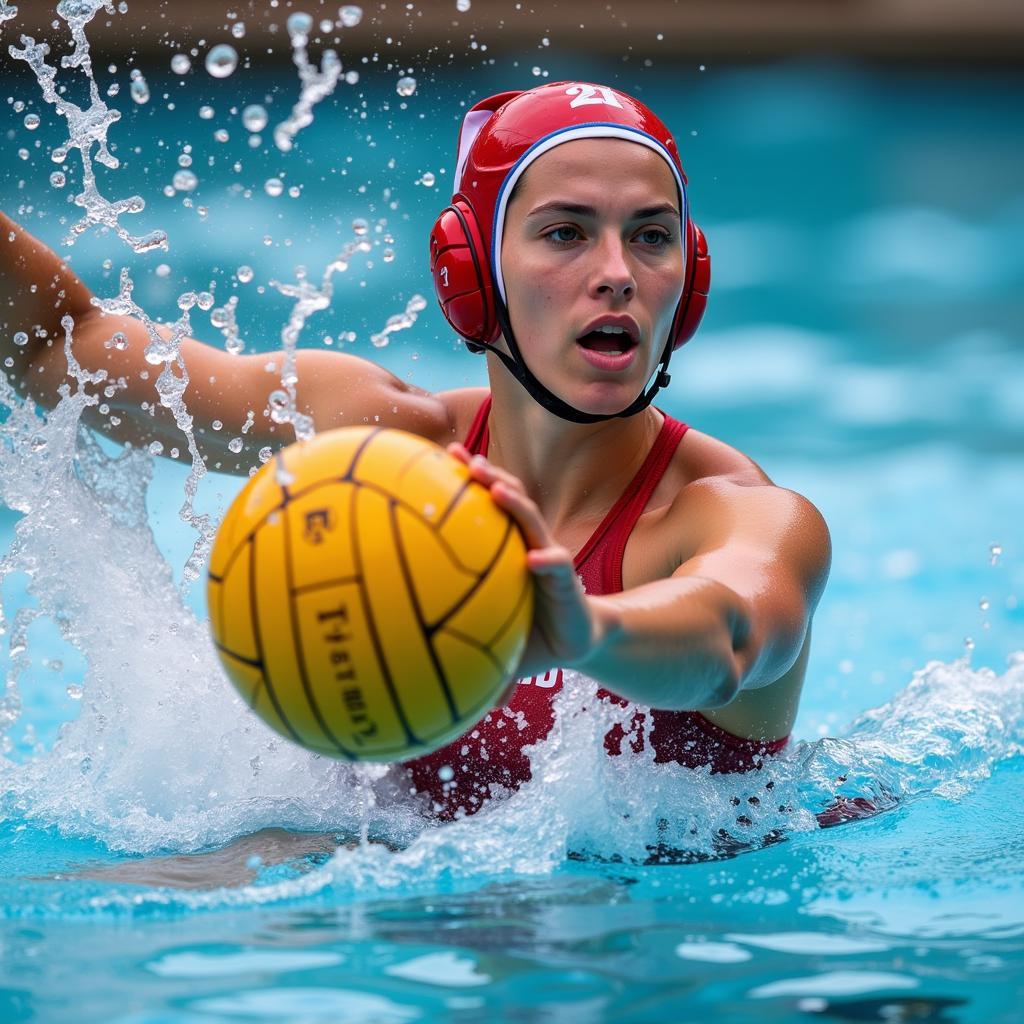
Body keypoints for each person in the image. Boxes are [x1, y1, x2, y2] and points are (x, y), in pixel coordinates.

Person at [0, 81, 831, 824]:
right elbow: (58, 351)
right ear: (471, 270)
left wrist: (586, 632)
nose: (616, 272)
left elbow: (728, 638)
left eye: (651, 238)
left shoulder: (737, 512)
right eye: (566, 232)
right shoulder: (378, 442)